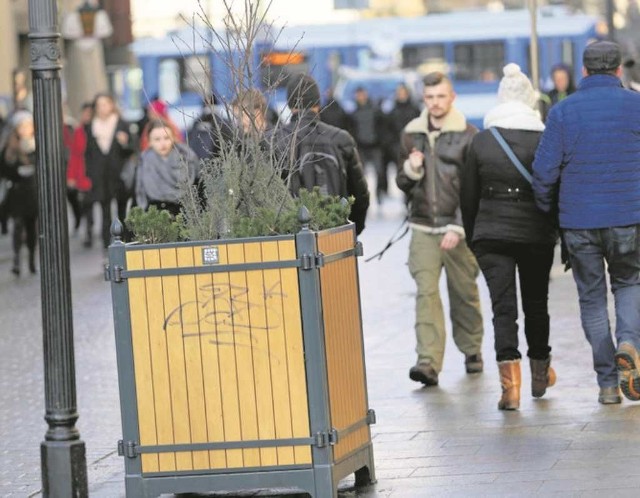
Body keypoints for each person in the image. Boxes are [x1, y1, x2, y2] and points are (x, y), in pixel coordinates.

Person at [533, 41, 640, 405]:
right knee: (629, 282)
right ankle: (629, 343)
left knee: (592, 299)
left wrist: (550, 214)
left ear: (583, 71)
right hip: (628, 218)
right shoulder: (636, 106)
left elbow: (544, 173)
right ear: (617, 71)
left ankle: (608, 384)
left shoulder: (563, 112)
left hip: (578, 222)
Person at [460, 63, 557, 410]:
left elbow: (467, 196)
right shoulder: (544, 137)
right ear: (530, 100)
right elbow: (553, 187)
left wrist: (474, 237)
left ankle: (510, 389)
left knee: (504, 309)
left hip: (491, 234)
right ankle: (540, 374)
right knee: (536, 304)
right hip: (535, 232)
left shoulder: (481, 141)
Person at [396, 71, 484, 387]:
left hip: (456, 229)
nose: (435, 103)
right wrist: (412, 169)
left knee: (464, 293)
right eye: (430, 97)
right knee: (426, 293)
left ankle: (472, 349)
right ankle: (428, 361)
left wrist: (459, 226)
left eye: (441, 96)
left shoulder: (469, 134)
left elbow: (475, 188)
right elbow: (402, 183)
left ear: (452, 97)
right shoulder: (411, 134)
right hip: (422, 227)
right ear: (424, 99)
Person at [280, 74, 370, 235]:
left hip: (290, 238)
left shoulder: (275, 141)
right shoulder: (341, 139)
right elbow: (360, 195)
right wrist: (351, 230)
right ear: (318, 103)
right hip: (335, 235)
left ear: (289, 104)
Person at [84, 93, 133, 250]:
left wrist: (125, 143)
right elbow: (88, 153)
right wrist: (90, 174)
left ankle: (123, 242)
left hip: (119, 175)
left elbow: (132, 148)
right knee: (104, 211)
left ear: (112, 105)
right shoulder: (90, 125)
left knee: (122, 210)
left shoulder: (122, 123)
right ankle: (107, 246)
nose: (102, 108)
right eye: (99, 105)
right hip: (100, 176)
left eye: (105, 104)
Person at [0, 111, 38, 276]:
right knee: (17, 224)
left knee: (31, 227)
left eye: (27, 125)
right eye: (21, 126)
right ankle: (16, 258)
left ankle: (31, 258)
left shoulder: (36, 144)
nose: (24, 129)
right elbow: (3, 169)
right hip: (16, 192)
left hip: (32, 191)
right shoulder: (10, 147)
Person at [136, 119, 198, 217]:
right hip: (154, 216)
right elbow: (140, 193)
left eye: (166, 138)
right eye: (157, 139)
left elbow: (199, 189)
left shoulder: (187, 157)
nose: (163, 143)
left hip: (186, 214)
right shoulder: (144, 161)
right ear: (149, 141)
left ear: (173, 137)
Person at [350, 86, 386, 203]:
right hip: (361, 147)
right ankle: (363, 196)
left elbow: (383, 126)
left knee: (379, 172)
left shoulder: (375, 110)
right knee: (361, 174)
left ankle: (379, 193)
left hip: (375, 146)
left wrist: (381, 140)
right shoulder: (354, 113)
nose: (360, 97)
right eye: (358, 94)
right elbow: (351, 129)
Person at [65, 102, 93, 243]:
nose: (87, 116)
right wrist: (71, 176)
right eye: (85, 113)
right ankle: (88, 231)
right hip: (83, 173)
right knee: (86, 204)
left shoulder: (98, 129)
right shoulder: (79, 131)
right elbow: (75, 154)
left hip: (96, 173)